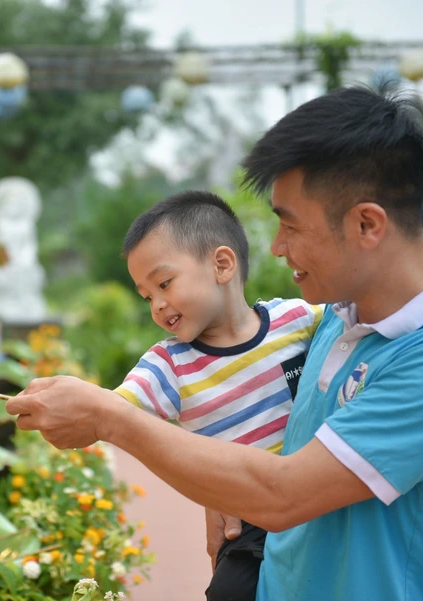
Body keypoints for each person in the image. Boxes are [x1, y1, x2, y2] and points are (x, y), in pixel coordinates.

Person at [5, 86, 423, 601]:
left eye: (290, 226)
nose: (276, 248)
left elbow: (284, 494)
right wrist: (222, 482)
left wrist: (109, 418)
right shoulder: (334, 321)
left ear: (367, 223)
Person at [112, 190, 322, 601]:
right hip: (246, 522)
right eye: (147, 296)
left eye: (164, 283)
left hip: (318, 495)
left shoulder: (296, 320)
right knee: (228, 591)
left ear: (222, 265)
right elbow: (112, 408)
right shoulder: (168, 365)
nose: (157, 305)